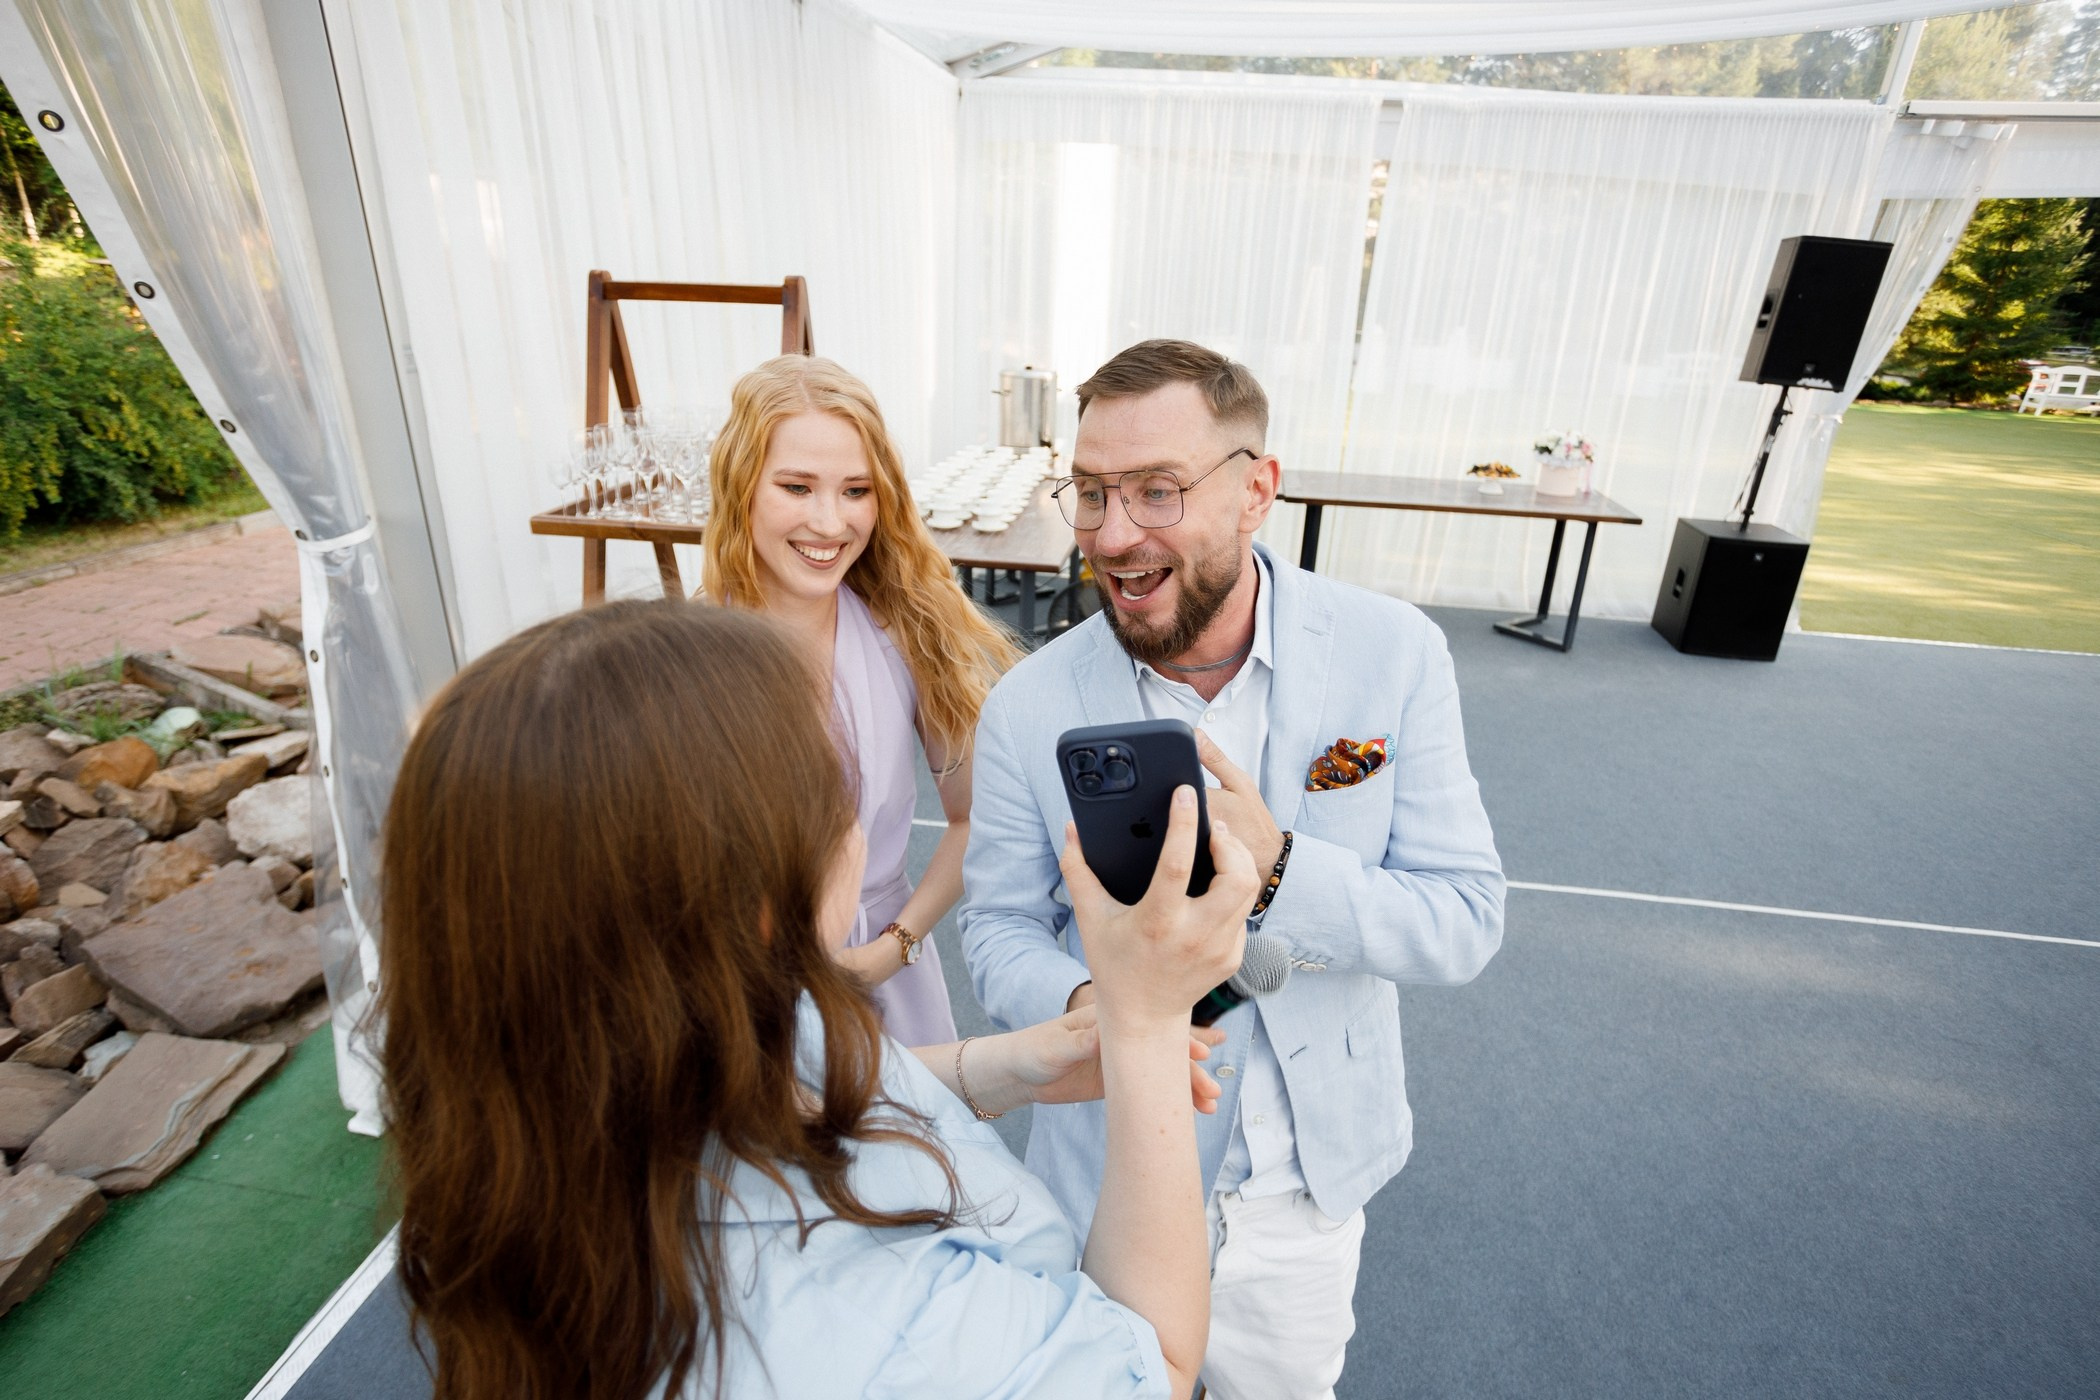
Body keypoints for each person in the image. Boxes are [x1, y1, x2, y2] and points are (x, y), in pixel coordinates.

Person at [380, 600, 1260, 1399]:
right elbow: (1153, 1363)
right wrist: (1145, 1020)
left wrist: (1004, 1068)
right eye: (834, 792)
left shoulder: (599, 1077)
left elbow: (795, 1079)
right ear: (764, 905)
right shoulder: (883, 1330)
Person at [960, 339, 1507, 1400]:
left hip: (1301, 1193)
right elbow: (997, 929)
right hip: (1106, 1177)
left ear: (1257, 489)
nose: (1115, 535)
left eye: (1157, 491)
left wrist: (1280, 868)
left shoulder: (1394, 653)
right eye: (1091, 493)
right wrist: (1101, 1001)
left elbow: (1465, 917)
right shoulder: (1027, 704)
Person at [702, 355, 1021, 1045]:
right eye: (796, 486)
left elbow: (971, 820)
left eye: (856, 491)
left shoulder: (906, 634)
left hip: (885, 986)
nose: (829, 522)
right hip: (735, 999)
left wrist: (894, 946)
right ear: (741, 486)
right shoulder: (684, 657)